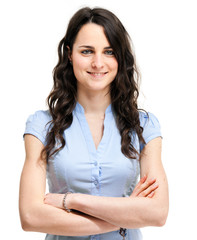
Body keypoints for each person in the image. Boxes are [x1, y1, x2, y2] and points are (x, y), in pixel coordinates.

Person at [19, 7, 169, 240]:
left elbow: (158, 213)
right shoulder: (42, 126)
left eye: (109, 52)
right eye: (87, 51)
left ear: (120, 57)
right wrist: (126, 215)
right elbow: (30, 216)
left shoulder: (144, 126)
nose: (98, 63)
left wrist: (70, 200)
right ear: (69, 54)